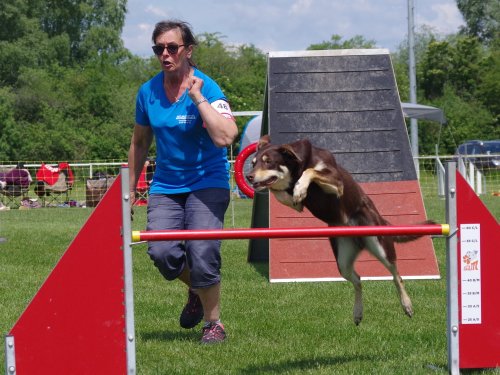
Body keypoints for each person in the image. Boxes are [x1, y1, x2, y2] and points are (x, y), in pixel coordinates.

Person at [127, 20, 238, 344]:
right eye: (158, 48)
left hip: (208, 181)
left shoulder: (209, 87)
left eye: (172, 47)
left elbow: (226, 136)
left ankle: (213, 323)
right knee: (162, 253)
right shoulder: (147, 92)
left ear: (188, 50)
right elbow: (139, 143)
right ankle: (196, 288)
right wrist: (128, 191)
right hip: (166, 185)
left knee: (202, 250)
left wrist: (198, 98)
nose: (165, 53)